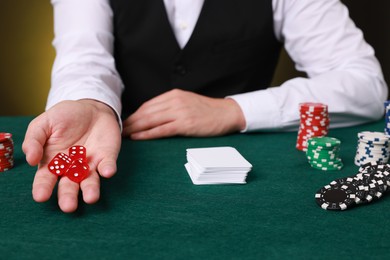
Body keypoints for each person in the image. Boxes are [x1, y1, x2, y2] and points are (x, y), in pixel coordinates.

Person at [22, 0, 388, 213]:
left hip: (249, 189)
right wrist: (91, 104)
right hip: (122, 154)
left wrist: (234, 110)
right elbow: (83, 60)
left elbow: (365, 83)